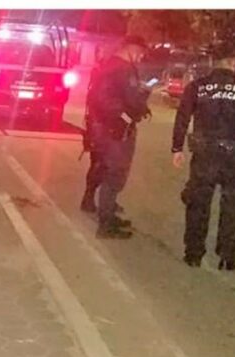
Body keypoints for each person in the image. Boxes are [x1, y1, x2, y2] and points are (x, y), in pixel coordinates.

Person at [171, 44, 235, 270]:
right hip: (234, 157)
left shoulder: (197, 87)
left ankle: (193, 253)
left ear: (215, 63)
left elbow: (182, 118)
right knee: (232, 207)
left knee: (198, 204)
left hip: (204, 154)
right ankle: (228, 256)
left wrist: (177, 148)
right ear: (234, 62)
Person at [82, 36, 151, 239]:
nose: (140, 58)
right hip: (115, 130)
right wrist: (136, 107)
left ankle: (108, 213)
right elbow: (126, 100)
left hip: (102, 127)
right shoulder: (123, 69)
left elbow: (100, 97)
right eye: (139, 53)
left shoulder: (107, 65)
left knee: (106, 169)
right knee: (115, 175)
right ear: (131, 49)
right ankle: (106, 224)